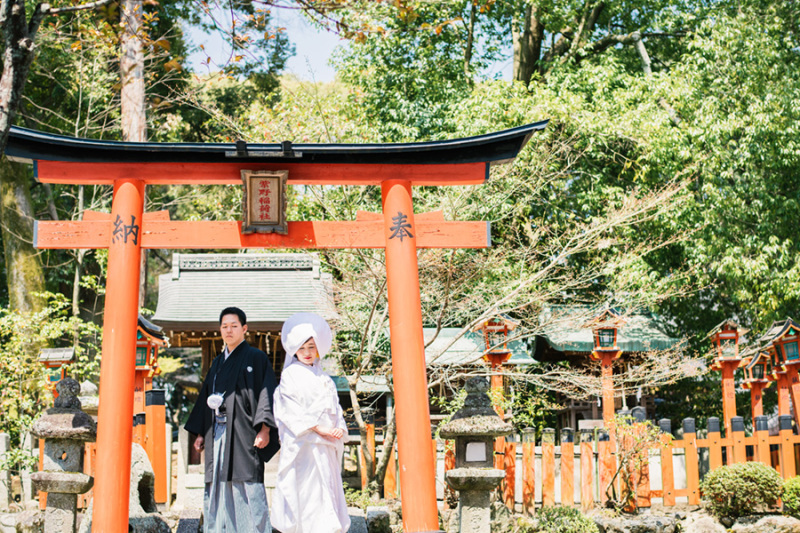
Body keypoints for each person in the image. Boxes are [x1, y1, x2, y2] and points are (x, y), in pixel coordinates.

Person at [184, 307, 279, 533]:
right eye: (224, 326)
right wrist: (200, 433)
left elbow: (267, 392)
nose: (229, 330)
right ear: (220, 330)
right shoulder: (217, 363)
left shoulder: (256, 358)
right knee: (216, 483)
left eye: (234, 326)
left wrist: (265, 428)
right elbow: (206, 395)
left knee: (247, 483)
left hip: (244, 431)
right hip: (217, 429)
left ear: (244, 329)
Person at [271, 312, 351, 533]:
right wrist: (319, 428)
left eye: (311, 347)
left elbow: (336, 410)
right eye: (302, 347)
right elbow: (290, 410)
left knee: (327, 491)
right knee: (305, 494)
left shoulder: (325, 379)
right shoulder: (290, 376)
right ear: (294, 349)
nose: (307, 353)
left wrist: (337, 429)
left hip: (325, 446)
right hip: (303, 446)